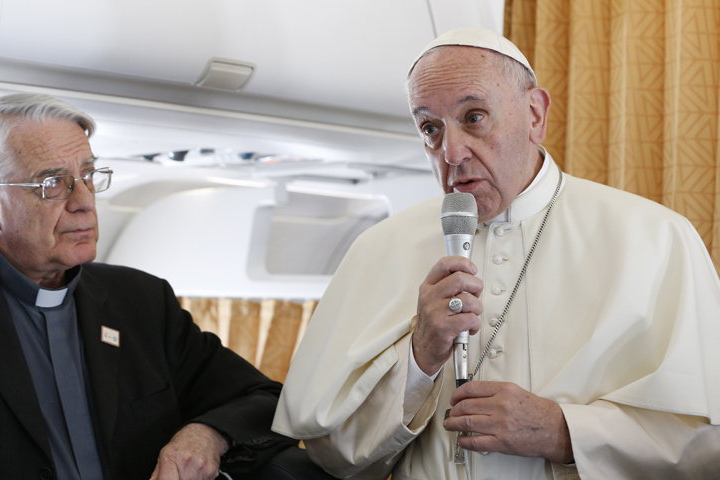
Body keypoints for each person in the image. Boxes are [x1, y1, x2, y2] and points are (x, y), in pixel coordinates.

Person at [272, 28, 720, 479]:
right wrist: (419, 358)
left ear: (534, 115)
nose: (451, 151)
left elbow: (706, 447)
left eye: (474, 116)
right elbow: (331, 455)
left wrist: (563, 432)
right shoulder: (378, 248)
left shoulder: (655, 239)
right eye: (430, 127)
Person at [0, 93, 298, 480]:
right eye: (52, 183)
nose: (84, 201)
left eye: (87, 176)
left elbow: (264, 399)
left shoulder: (142, 301)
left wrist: (205, 435)